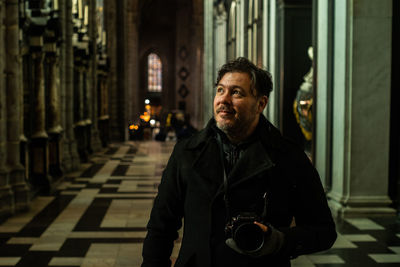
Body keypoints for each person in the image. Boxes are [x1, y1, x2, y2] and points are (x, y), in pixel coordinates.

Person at [141, 57, 337, 267]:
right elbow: (161, 227)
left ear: (260, 104)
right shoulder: (186, 152)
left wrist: (278, 240)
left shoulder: (288, 157)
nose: (223, 100)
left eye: (236, 93)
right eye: (220, 90)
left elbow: (323, 231)